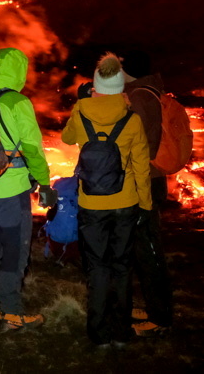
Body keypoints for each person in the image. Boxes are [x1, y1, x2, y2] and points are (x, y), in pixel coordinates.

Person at [62, 53, 151, 348]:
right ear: (120, 88)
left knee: (98, 268)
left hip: (91, 204)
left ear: (96, 86)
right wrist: (145, 204)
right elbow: (141, 165)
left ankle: (99, 334)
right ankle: (122, 333)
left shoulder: (81, 111)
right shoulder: (132, 119)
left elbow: (66, 138)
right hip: (125, 203)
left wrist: (81, 102)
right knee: (123, 267)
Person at [0, 47, 54, 330]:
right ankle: (11, 311)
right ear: (19, 70)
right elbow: (32, 148)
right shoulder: (17, 102)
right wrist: (44, 183)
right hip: (13, 191)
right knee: (15, 251)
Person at [121, 51, 172, 336]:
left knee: (148, 250)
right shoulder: (147, 91)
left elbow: (142, 145)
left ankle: (160, 317)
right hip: (146, 180)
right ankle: (146, 306)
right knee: (136, 248)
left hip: (144, 183)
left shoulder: (139, 97)